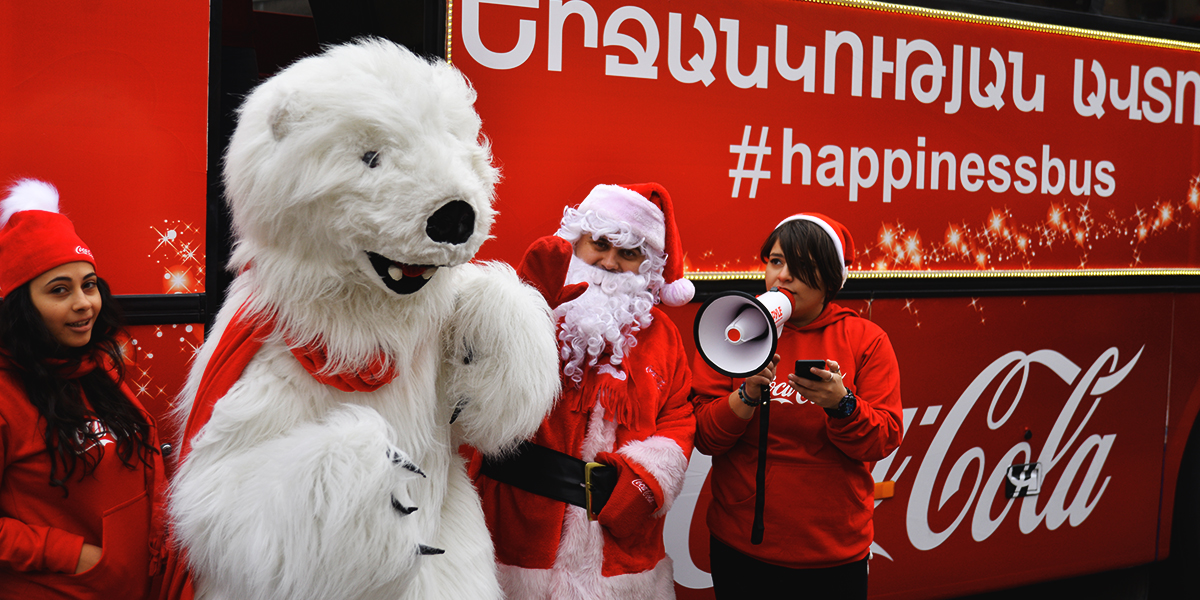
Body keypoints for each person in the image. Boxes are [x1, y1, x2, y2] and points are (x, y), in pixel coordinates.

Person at [472, 183, 696, 600]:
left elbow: (679, 416)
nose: (610, 263)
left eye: (628, 253)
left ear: (645, 266)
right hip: (516, 537)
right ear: (577, 242)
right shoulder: (539, 305)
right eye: (601, 244)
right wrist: (522, 309)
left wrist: (643, 484)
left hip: (618, 557)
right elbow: (479, 393)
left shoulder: (663, 336)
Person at [690, 213, 903, 599]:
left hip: (833, 554)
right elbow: (705, 436)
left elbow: (883, 439)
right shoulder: (734, 330)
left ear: (830, 280)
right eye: (775, 261)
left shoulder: (866, 340)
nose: (782, 276)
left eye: (801, 266)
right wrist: (747, 394)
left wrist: (843, 405)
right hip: (741, 545)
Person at [0, 179, 167, 599]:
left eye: (89, 284)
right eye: (60, 290)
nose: (83, 303)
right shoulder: (6, 394)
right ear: (21, 306)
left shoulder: (98, 368)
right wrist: (74, 556)